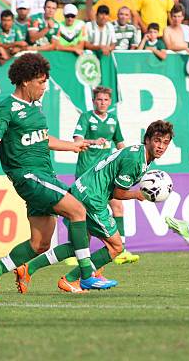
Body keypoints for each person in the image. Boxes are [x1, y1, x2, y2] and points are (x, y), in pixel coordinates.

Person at [0, 53, 98, 304]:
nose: (44, 87)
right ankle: (86, 274)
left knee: (39, 244)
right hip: (29, 176)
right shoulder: (7, 107)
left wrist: (73, 146)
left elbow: (44, 139)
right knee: (78, 210)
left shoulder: (35, 108)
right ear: (25, 81)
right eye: (41, 82)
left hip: (44, 176)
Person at [14, 120, 174, 294]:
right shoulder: (135, 160)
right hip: (92, 199)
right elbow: (119, 194)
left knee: (79, 245)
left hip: (83, 189)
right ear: (148, 140)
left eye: (165, 143)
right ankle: (73, 279)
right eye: (157, 141)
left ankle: (28, 269)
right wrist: (137, 194)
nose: (161, 146)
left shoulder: (140, 155)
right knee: (116, 247)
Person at [71, 86, 138, 265]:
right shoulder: (86, 117)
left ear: (110, 102)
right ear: (94, 101)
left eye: (106, 100)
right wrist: (93, 141)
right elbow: (77, 141)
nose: (102, 103)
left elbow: (120, 144)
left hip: (106, 175)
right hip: (86, 175)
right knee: (84, 215)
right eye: (99, 100)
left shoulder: (113, 120)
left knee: (118, 207)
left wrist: (130, 161)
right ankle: (80, 254)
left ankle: (121, 249)